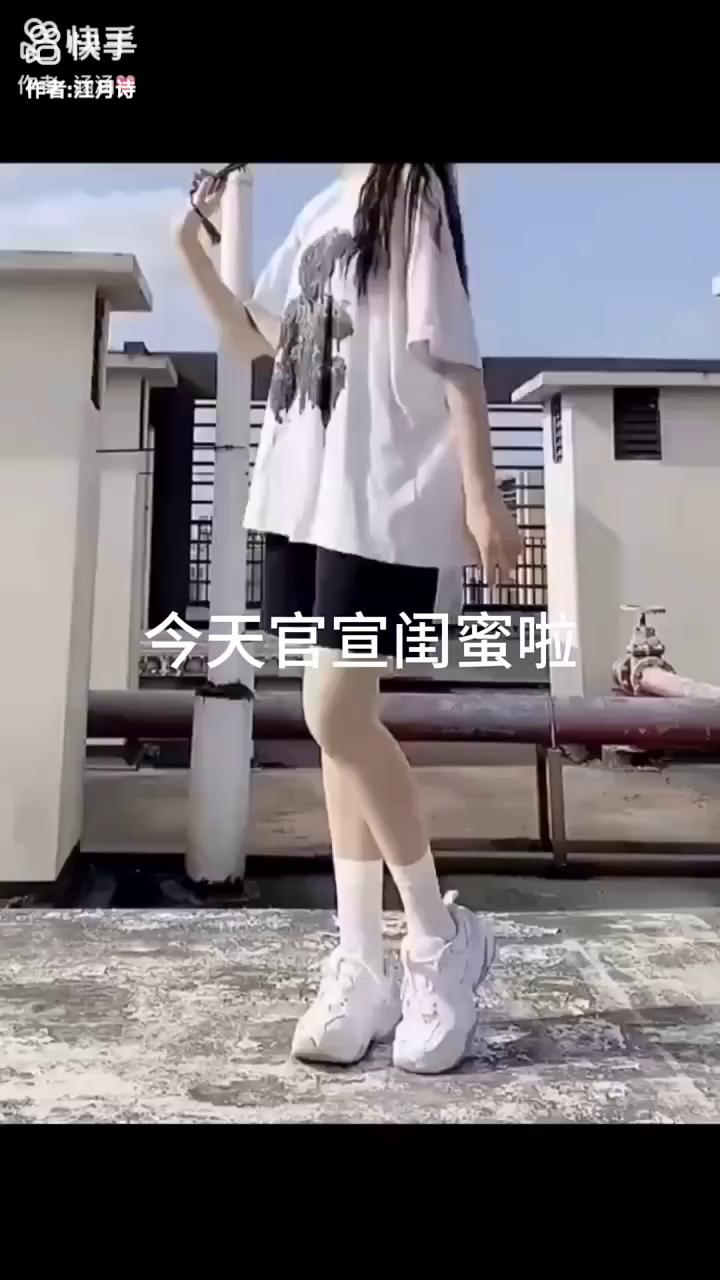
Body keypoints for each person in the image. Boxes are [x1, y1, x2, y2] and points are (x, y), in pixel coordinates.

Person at [176, 163, 522, 1074]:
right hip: (305, 495)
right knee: (339, 727)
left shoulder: (409, 187)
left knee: (333, 712)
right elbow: (258, 338)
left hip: (382, 496)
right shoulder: (320, 210)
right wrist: (194, 254)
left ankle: (438, 940)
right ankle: (362, 960)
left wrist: (482, 490)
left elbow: (452, 347)